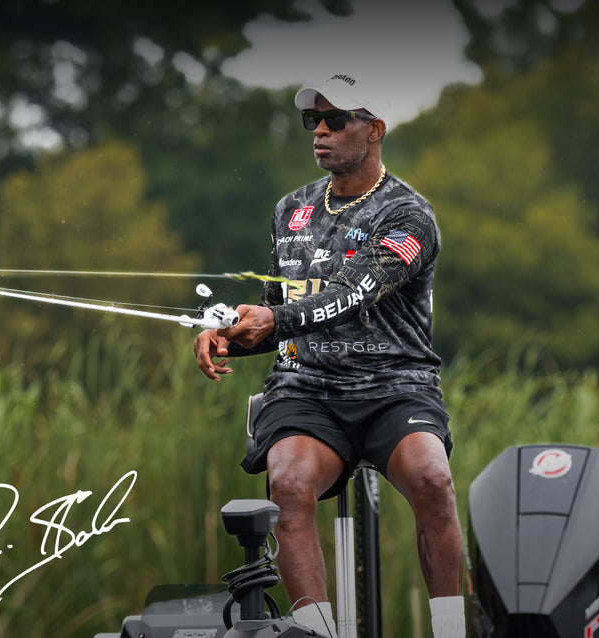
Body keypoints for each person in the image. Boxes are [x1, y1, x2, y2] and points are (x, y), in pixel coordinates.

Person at [194, 72, 465, 638]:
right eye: (311, 120)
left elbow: (355, 292)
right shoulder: (288, 210)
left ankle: (452, 629)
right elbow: (278, 319)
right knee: (287, 482)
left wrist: (278, 316)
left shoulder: (410, 215)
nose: (319, 131)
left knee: (432, 479)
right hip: (307, 389)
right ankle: (316, 633)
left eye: (335, 119)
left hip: (396, 385)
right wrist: (232, 331)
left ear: (375, 129)